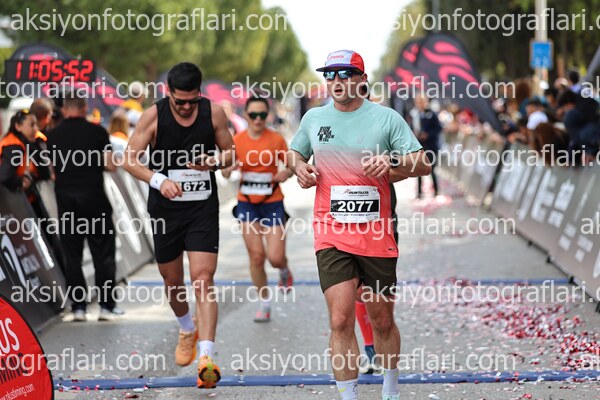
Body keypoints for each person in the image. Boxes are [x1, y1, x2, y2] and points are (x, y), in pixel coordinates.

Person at [288, 49, 431, 400]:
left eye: (345, 74)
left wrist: (391, 159)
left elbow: (423, 163)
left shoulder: (386, 119)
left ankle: (390, 388)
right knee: (340, 319)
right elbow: (295, 153)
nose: (336, 81)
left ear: (362, 80)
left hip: (376, 233)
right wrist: (299, 167)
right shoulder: (313, 118)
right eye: (330, 75)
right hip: (331, 231)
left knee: (381, 319)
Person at [123, 62, 234, 389]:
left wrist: (215, 161)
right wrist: (159, 181)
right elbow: (129, 159)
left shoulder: (213, 114)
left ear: (200, 93)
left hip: (201, 208)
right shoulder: (153, 116)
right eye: (179, 101)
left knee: (203, 278)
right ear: (168, 92)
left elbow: (230, 153)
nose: (186, 107)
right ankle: (187, 328)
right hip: (166, 210)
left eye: (192, 101)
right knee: (172, 281)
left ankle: (206, 359)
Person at [46, 92, 122, 322]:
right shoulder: (98, 132)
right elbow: (111, 166)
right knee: (103, 253)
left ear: (64, 109)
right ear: (84, 107)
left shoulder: (53, 135)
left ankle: (79, 307)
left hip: (67, 201)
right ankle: (106, 307)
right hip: (95, 200)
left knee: (72, 255)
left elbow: (52, 171)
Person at [222, 96, 293, 323]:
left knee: (275, 257)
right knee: (256, 256)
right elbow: (224, 172)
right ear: (246, 115)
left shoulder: (276, 139)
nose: (258, 119)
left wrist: (286, 173)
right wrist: (229, 169)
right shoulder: (237, 140)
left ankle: (284, 270)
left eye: (262, 115)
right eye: (253, 115)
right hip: (247, 204)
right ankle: (264, 303)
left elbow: (292, 165)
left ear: (268, 115)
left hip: (272, 202)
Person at [0, 109, 51, 203]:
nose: (36, 128)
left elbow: (44, 173)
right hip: (11, 201)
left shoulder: (21, 143)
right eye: (32, 125)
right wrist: (22, 182)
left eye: (36, 124)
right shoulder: (14, 147)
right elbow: (5, 175)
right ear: (18, 126)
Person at [412, 94, 441, 198]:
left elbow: (438, 128)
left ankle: (436, 190)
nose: (420, 104)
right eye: (418, 101)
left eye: (421, 101)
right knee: (418, 169)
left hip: (431, 146)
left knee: (432, 169)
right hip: (419, 146)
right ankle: (419, 192)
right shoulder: (415, 114)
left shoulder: (432, 114)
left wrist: (428, 134)